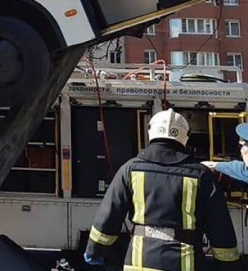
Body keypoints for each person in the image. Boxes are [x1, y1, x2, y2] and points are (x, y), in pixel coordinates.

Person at [84, 109, 240, 271]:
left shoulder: (130, 169)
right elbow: (219, 225)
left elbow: (110, 214)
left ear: (151, 131)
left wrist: (95, 250)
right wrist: (230, 265)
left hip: (139, 262)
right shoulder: (201, 175)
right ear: (185, 135)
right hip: (184, 263)